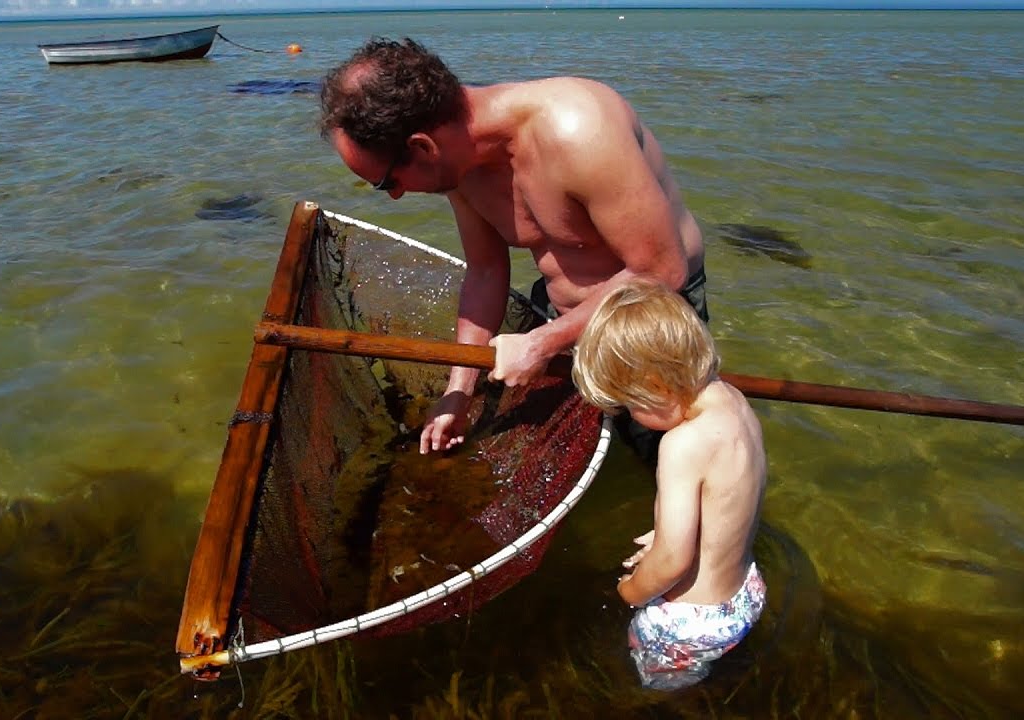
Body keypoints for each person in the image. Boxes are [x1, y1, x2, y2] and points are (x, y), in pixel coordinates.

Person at [318, 38, 707, 459]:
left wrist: (541, 344)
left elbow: (662, 270)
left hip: (646, 320)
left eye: (386, 182)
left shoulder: (580, 130)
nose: (395, 196)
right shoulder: (460, 167)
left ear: (422, 147)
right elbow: (486, 271)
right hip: (560, 322)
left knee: (672, 460)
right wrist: (458, 391)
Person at [570, 280, 767, 691]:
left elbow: (674, 561)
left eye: (630, 405)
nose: (630, 415)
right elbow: (726, 503)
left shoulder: (681, 444)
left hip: (688, 623)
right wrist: (663, 533)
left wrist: (628, 592)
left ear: (657, 387)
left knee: (648, 695)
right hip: (744, 592)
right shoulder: (734, 401)